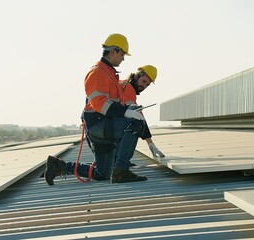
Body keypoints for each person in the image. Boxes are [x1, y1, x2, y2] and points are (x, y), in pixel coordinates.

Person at [44, 33, 148, 185]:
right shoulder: (98, 73)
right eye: (122, 54)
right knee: (135, 124)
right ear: (113, 51)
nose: (123, 58)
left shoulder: (109, 73)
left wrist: (126, 108)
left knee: (102, 173)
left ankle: (59, 166)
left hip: (102, 126)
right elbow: (99, 103)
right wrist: (126, 112)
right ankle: (121, 171)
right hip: (99, 126)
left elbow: (112, 102)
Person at [120, 65, 165, 161]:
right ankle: (122, 164)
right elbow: (139, 116)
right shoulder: (128, 88)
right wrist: (150, 143)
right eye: (143, 81)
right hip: (103, 129)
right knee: (135, 125)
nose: (143, 86)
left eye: (147, 85)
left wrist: (150, 142)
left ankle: (119, 161)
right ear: (137, 76)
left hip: (98, 126)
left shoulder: (124, 84)